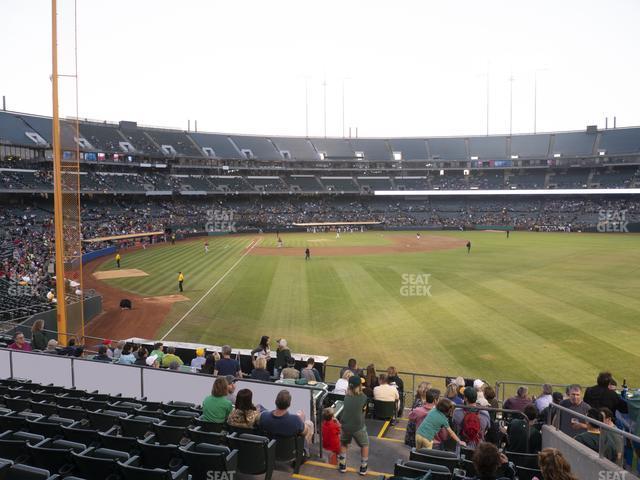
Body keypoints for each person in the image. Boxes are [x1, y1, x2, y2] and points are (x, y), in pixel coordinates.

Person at [338, 375, 369, 475]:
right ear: (359, 386)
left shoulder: (346, 397)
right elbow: (363, 409)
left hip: (345, 425)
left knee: (344, 444)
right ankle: (363, 467)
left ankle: (342, 465)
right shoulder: (363, 397)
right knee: (365, 445)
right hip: (357, 426)